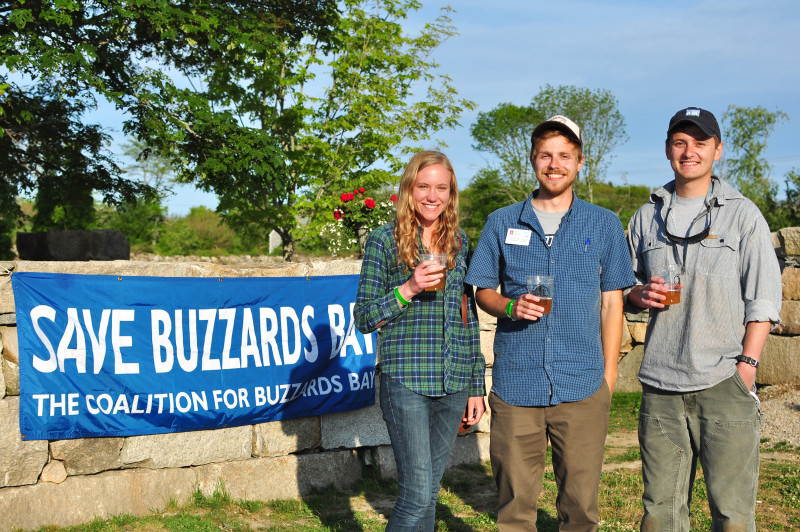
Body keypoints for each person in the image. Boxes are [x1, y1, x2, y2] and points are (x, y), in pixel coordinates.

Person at [465, 116, 635, 531]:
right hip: (516, 386)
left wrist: (609, 376)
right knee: (514, 511)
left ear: (580, 162)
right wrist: (509, 307)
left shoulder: (605, 224)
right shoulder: (501, 222)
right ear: (532, 160)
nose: (554, 164)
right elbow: (481, 290)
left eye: (564, 156)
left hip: (582, 386)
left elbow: (613, 304)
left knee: (580, 511)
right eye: (546, 155)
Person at [627, 107, 782, 531]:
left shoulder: (744, 215)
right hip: (660, 386)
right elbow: (625, 287)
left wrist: (746, 369)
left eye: (700, 142)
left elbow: (764, 298)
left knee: (732, 514)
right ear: (667, 149)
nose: (689, 151)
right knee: (660, 513)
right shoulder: (646, 216)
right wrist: (637, 293)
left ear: (718, 150)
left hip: (723, 383)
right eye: (680, 142)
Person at [353, 150, 486, 531]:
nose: (432, 196)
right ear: (409, 189)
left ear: (451, 193)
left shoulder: (459, 241)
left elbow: (468, 315)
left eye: (441, 188)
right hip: (407, 379)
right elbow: (363, 318)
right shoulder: (383, 241)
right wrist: (408, 288)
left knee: (428, 492)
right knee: (415, 493)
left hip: (454, 380)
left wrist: (476, 385)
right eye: (423, 186)